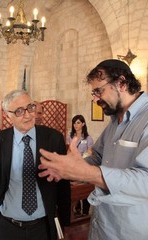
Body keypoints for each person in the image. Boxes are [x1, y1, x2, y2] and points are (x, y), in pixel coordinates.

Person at [38, 59, 148, 240]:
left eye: (99, 91)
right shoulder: (115, 122)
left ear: (121, 83)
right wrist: (69, 168)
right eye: (93, 92)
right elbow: (97, 157)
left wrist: (87, 173)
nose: (95, 99)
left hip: (130, 230)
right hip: (102, 226)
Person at [0, 89, 71, 240]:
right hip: (7, 226)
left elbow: (63, 185)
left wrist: (64, 222)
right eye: (19, 111)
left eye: (30, 107)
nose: (28, 115)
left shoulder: (53, 139)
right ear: (7, 115)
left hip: (43, 226)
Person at [68, 114, 93, 216]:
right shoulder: (70, 137)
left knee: (84, 189)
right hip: (73, 166)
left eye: (78, 122)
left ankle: (85, 212)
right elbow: (69, 150)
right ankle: (76, 209)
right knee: (74, 189)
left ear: (83, 124)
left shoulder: (88, 138)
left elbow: (90, 153)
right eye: (74, 123)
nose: (76, 125)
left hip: (83, 166)